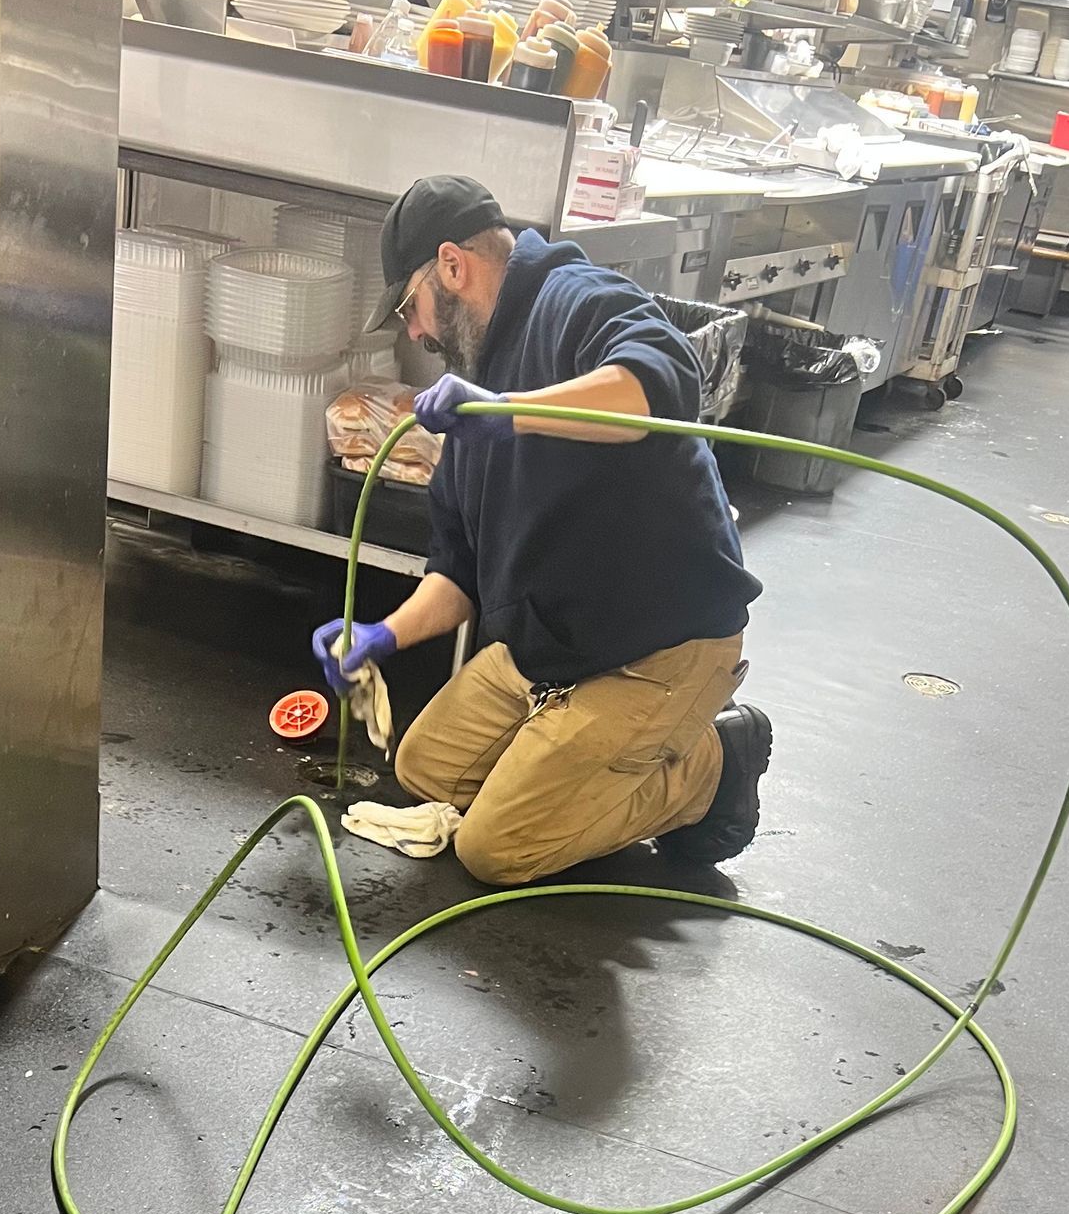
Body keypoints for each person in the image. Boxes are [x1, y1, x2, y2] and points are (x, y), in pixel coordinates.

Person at [313, 174, 770, 887]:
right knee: (423, 769)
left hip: (658, 647)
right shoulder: (474, 388)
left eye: (410, 306)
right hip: (551, 648)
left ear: (453, 267)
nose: (415, 332)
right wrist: (381, 635)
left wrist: (505, 410)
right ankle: (580, 760)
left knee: (497, 848)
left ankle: (714, 768)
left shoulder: (576, 299)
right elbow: (458, 573)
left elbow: (662, 384)